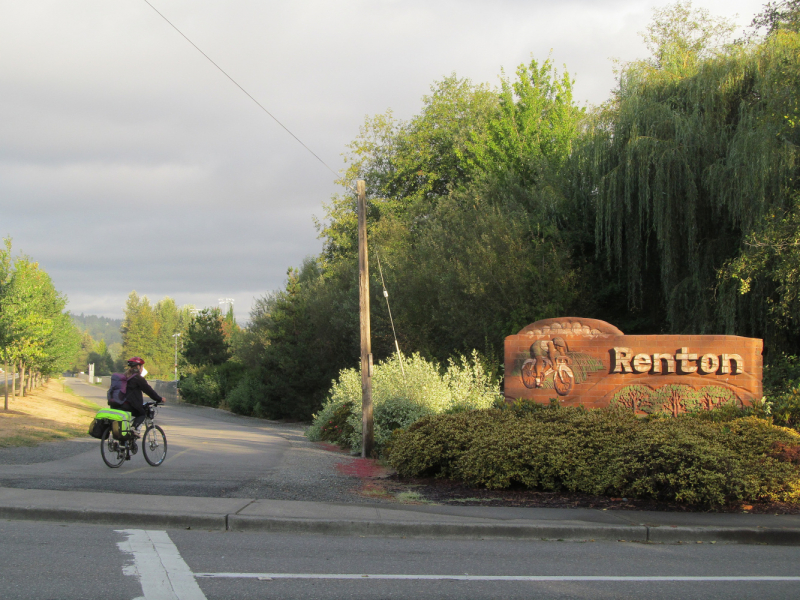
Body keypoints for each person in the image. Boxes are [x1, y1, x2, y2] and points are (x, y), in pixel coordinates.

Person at [118, 357, 164, 436]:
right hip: (129, 405)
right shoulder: (138, 378)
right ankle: (134, 428)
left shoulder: (124, 377)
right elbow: (148, 390)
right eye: (142, 366)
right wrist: (160, 399)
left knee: (126, 424)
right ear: (138, 367)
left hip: (118, 403)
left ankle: (124, 443)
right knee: (141, 413)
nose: (142, 369)